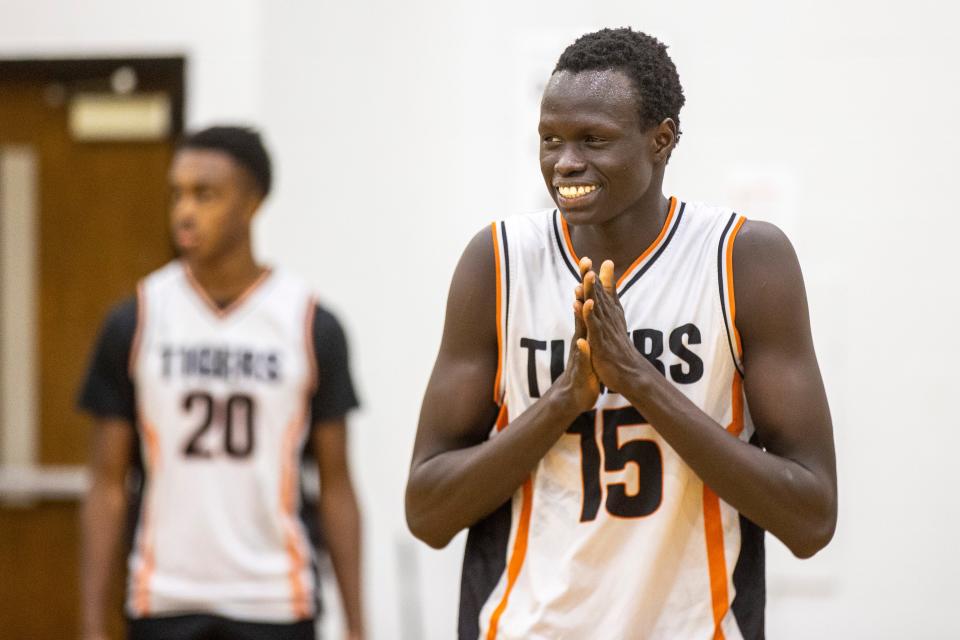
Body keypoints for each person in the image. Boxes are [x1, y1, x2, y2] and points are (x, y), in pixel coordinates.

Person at [405, 28, 837, 639]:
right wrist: (566, 398)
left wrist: (637, 378)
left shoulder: (743, 259)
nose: (565, 162)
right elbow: (427, 511)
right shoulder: (498, 262)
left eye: (593, 140)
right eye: (550, 139)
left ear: (661, 140)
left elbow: (812, 517)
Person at [78, 126, 364, 640]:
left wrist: (358, 625)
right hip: (165, 596)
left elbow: (337, 485)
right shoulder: (137, 318)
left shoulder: (309, 322)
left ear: (253, 202)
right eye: (177, 194)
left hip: (276, 599)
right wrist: (92, 626)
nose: (185, 210)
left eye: (204, 194)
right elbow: (106, 486)